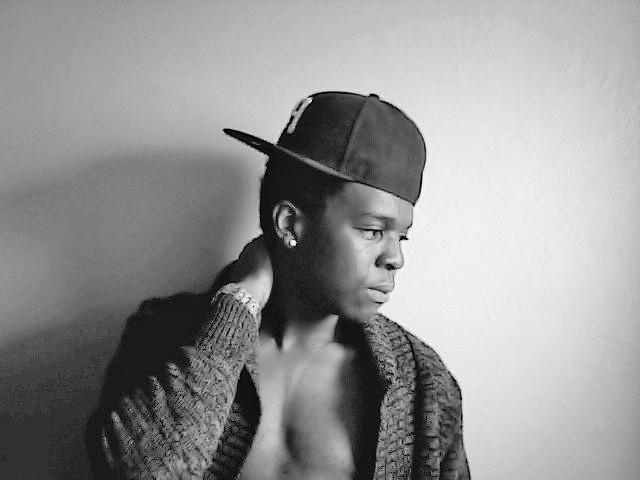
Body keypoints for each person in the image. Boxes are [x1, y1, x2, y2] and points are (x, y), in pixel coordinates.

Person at [85, 91, 470, 479]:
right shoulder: (161, 334)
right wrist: (241, 300)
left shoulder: (422, 383)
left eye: (401, 237)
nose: (395, 258)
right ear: (289, 224)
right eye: (372, 231)